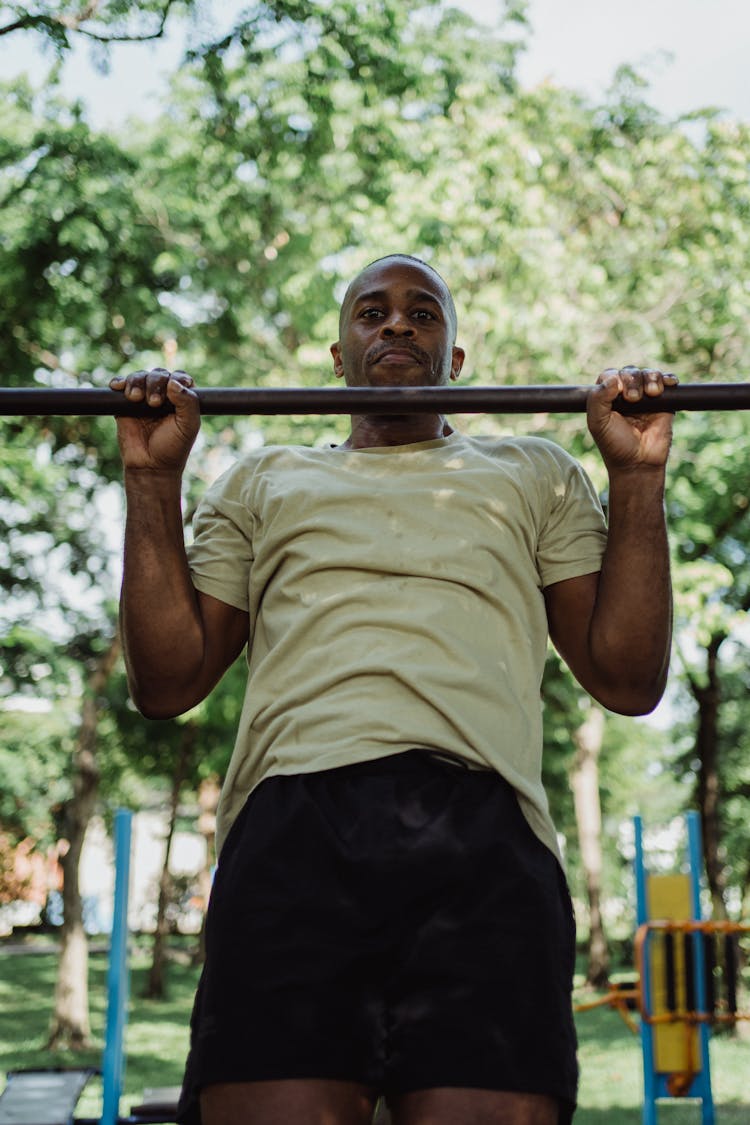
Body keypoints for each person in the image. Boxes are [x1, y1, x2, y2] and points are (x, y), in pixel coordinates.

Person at [110, 253, 676, 1125]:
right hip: (295, 830)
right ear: (340, 356)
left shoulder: (532, 472)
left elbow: (630, 680)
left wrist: (637, 478)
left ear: (454, 358)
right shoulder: (264, 479)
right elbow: (167, 681)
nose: (398, 325)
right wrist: (152, 480)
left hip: (484, 837)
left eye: (423, 312)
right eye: (372, 313)